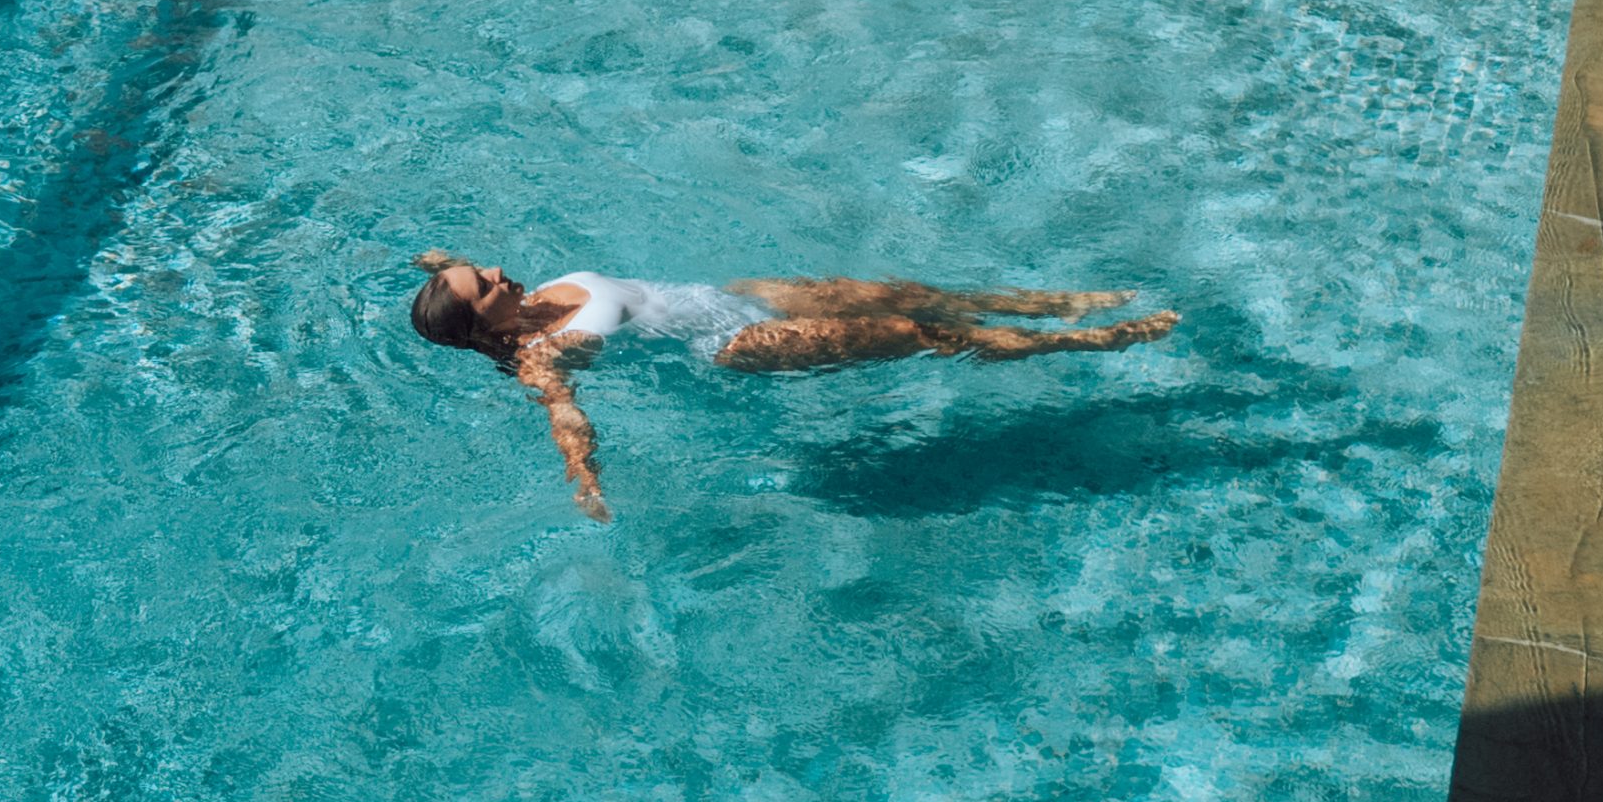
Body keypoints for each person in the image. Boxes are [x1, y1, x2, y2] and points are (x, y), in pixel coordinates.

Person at [408, 254, 1179, 519]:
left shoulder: (520, 301)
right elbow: (562, 412)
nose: (499, 270)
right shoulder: (542, 352)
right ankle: (1090, 339)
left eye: (481, 268)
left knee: (908, 293)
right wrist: (584, 476)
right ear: (483, 327)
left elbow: (455, 281)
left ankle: (1056, 304)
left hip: (733, 296)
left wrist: (434, 266)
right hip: (734, 341)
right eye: (485, 284)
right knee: (920, 332)